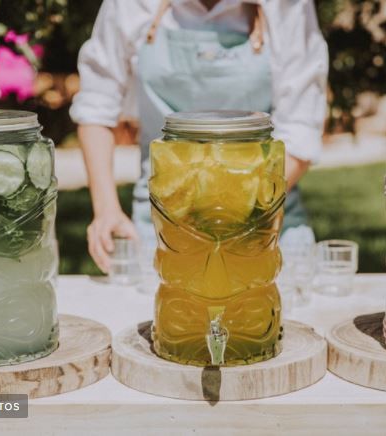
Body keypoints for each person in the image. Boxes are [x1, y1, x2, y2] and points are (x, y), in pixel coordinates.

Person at [70, 0, 328, 273]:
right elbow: (97, 104)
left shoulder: (288, 6)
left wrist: (229, 210)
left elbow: (301, 130)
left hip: (265, 226)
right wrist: (106, 209)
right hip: (163, 228)